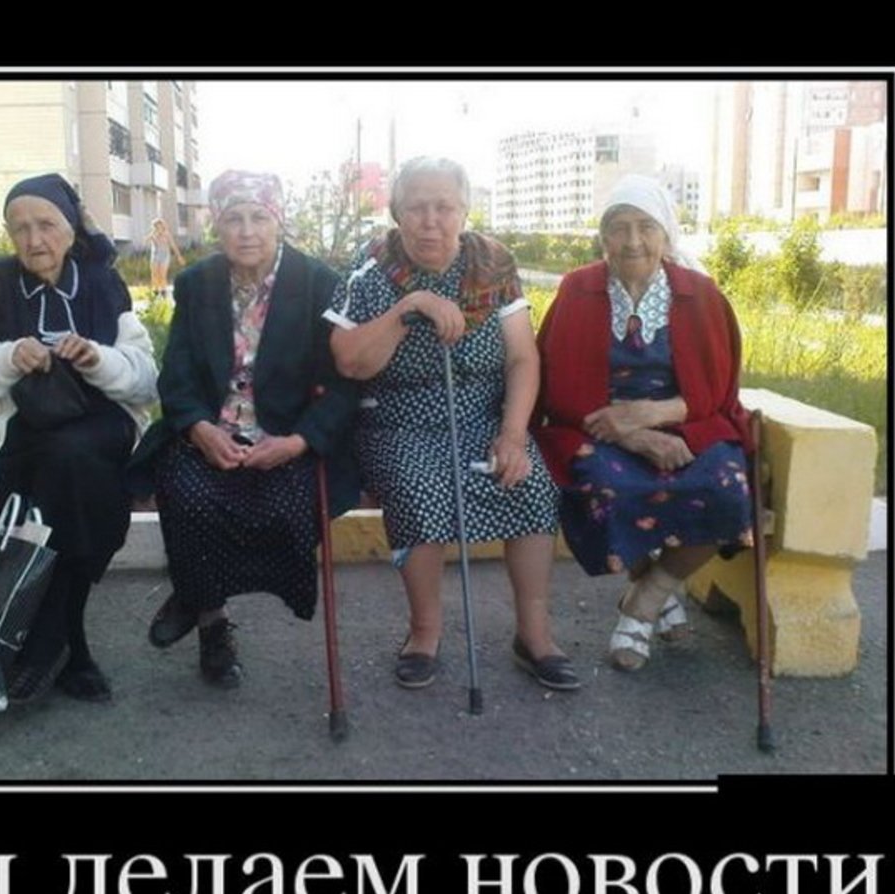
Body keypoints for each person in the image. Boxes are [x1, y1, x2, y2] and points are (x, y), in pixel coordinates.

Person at [327, 156, 578, 692]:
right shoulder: (369, 267)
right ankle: (425, 633)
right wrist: (409, 307)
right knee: (419, 489)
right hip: (397, 420)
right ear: (396, 213)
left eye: (444, 207)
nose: (430, 221)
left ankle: (534, 635)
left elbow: (522, 359)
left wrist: (513, 435)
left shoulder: (493, 263)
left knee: (530, 481)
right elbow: (349, 362)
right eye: (416, 207)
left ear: (464, 211)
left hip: (483, 416)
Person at [0, 173, 159, 702]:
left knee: (74, 458)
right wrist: (7, 358)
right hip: (24, 443)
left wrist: (99, 359)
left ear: (71, 228)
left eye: (47, 225)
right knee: (69, 469)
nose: (34, 240)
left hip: (103, 431)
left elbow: (147, 380)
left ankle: (46, 639)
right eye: (20, 229)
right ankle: (69, 645)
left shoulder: (102, 285)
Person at [126, 169, 358, 687]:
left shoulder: (319, 283)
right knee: (185, 491)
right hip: (213, 430)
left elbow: (344, 384)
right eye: (234, 219)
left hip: (287, 436)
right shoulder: (197, 283)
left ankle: (191, 592)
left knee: (287, 509)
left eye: (259, 217)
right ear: (217, 225)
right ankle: (211, 622)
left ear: (279, 221)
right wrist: (199, 429)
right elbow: (177, 374)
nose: (247, 231)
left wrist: (298, 441)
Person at [532, 174, 754, 672]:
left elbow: (718, 389)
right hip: (597, 427)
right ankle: (654, 596)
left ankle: (648, 597)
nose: (633, 241)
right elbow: (560, 385)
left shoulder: (699, 294)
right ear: (603, 238)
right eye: (619, 228)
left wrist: (655, 415)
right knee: (600, 486)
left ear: (666, 233)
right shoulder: (578, 289)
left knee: (726, 488)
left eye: (646, 227)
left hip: (686, 422)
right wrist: (633, 435)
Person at [146, 217, 185, 299]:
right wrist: (153, 237)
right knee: (154, 275)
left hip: (165, 256)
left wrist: (179, 257)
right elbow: (146, 240)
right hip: (155, 256)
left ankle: (164, 294)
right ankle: (156, 293)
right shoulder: (153, 235)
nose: (158, 228)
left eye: (160, 226)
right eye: (156, 226)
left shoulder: (167, 234)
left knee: (162, 275)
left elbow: (173, 246)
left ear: (163, 226)